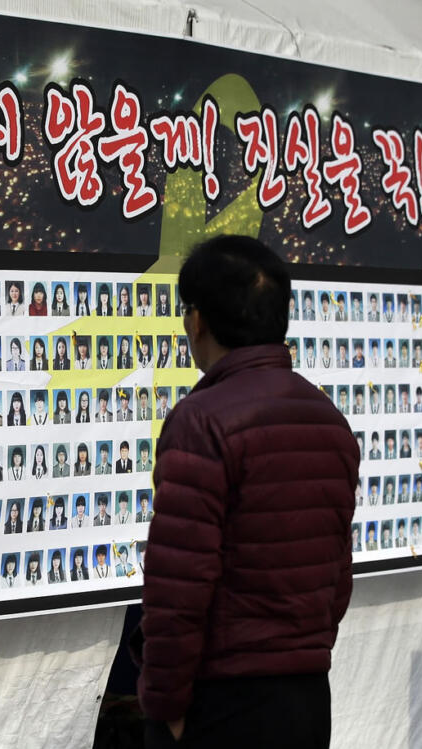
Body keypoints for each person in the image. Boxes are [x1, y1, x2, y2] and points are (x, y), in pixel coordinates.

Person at [132, 236, 357, 748]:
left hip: (221, 701)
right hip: (304, 699)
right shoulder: (329, 421)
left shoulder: (201, 422)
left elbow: (177, 586)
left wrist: (165, 706)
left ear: (198, 321)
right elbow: (338, 574)